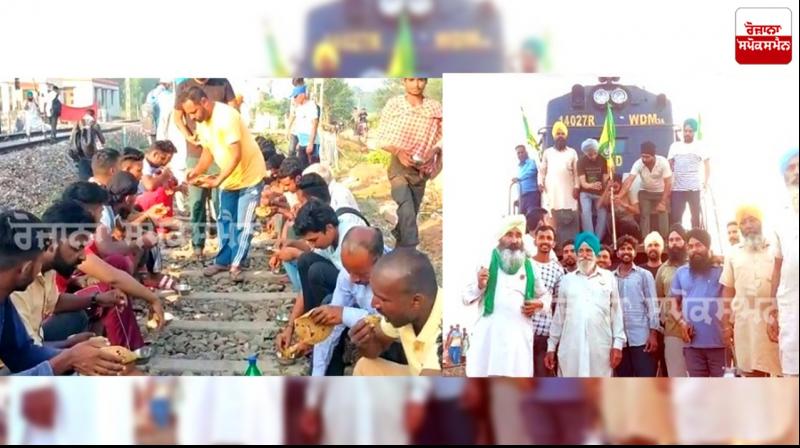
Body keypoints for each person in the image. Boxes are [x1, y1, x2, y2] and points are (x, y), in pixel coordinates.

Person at [0, 209, 126, 375]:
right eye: (39, 262)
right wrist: (67, 359)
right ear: (26, 269)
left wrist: (80, 356)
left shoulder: (4, 300)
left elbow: (21, 353)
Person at [179, 86, 267, 282]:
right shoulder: (202, 122)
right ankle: (223, 260)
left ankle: (236, 264)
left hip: (249, 177)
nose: (192, 117)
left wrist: (217, 180)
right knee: (225, 220)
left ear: (204, 102)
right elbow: (208, 151)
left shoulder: (227, 117)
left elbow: (236, 155)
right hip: (229, 179)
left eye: (193, 112)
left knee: (243, 224)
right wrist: (197, 171)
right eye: (188, 114)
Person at [306, 226, 404, 376]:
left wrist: (345, 315)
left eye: (360, 273)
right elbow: (331, 324)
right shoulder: (349, 274)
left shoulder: (400, 274)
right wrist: (317, 374)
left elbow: (396, 326)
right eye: (348, 270)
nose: (353, 279)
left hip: (401, 345)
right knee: (329, 310)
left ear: (379, 261)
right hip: (374, 335)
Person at [463, 215, 549, 377]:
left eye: (518, 235)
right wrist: (480, 285)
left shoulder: (529, 265)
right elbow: (465, 297)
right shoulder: (485, 260)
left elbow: (546, 296)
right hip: (490, 341)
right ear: (501, 237)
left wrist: (540, 304)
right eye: (509, 235)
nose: (515, 240)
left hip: (518, 341)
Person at [349, 249, 442, 376]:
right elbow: (377, 346)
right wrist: (365, 343)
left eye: (383, 299)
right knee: (365, 366)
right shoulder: (403, 314)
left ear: (415, 301)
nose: (373, 304)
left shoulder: (448, 329)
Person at [173, 78, 237, 261]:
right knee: (197, 202)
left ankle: (226, 247)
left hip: (220, 151)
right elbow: (177, 117)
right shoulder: (184, 86)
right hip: (195, 153)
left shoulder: (222, 83)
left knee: (222, 201)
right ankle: (198, 245)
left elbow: (234, 110)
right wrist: (188, 135)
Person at [545, 232, 625, 377]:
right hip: (571, 349)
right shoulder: (567, 280)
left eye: (589, 250)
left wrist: (618, 344)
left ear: (595, 253)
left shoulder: (608, 278)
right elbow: (559, 317)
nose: (584, 255)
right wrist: (551, 346)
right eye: (580, 251)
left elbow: (616, 313)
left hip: (601, 348)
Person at [375, 78, 443, 248]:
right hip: (399, 166)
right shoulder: (395, 105)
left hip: (421, 170)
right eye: (411, 80)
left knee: (409, 215)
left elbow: (445, 137)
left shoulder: (435, 108)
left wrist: (435, 151)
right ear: (404, 81)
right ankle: (412, 250)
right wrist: (398, 151)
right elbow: (382, 136)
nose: (416, 84)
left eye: (420, 80)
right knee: (405, 206)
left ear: (426, 81)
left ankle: (399, 250)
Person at [720, 205, 781, 377]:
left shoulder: (776, 249)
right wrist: (725, 325)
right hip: (745, 324)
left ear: (761, 222)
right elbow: (728, 290)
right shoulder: (732, 253)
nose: (748, 225)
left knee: (779, 372)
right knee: (751, 372)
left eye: (752, 220)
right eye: (744, 222)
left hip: (774, 321)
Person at [301, 377, 430, 445]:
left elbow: (419, 358)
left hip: (388, 404)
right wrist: (311, 403)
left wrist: (417, 396)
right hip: (340, 404)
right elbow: (319, 372)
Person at [293, 200, 368, 313]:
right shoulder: (329, 239)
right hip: (343, 278)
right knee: (305, 260)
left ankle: (326, 315)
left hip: (359, 285)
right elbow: (305, 287)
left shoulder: (351, 239)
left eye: (314, 240)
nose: (312, 245)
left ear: (329, 228)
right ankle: (310, 316)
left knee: (317, 271)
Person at [670, 228, 727, 377]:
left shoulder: (721, 271)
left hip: (719, 343)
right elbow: (673, 305)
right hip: (692, 344)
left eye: (699, 245)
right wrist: (682, 323)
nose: (694, 250)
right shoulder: (681, 272)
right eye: (690, 246)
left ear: (708, 247)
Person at [769, 147, 799, 377]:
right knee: (792, 372)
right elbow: (777, 267)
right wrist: (772, 311)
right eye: (791, 167)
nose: (796, 171)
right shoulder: (779, 216)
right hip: (791, 308)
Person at [613, 235, 660, 377]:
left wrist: (653, 334)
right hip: (620, 340)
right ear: (617, 253)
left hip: (642, 339)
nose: (626, 252)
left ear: (635, 252)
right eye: (622, 249)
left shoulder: (644, 275)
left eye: (629, 248)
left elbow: (652, 305)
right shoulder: (610, 278)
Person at [530, 225, 565, 376]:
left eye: (549, 238)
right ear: (535, 241)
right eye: (541, 237)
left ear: (554, 243)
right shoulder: (526, 265)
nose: (545, 241)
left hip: (545, 333)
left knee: (542, 376)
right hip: (524, 330)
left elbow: (558, 304)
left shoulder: (558, 269)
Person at [655, 225, 689, 377]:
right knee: (676, 376)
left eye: (678, 239)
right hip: (673, 331)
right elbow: (659, 299)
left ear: (685, 242)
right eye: (671, 240)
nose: (674, 243)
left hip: (697, 330)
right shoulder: (663, 270)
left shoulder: (693, 266)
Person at [619, 141, 672, 239]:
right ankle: (645, 240)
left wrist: (663, 202)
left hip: (661, 192)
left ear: (653, 155)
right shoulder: (638, 163)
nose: (644, 159)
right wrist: (619, 196)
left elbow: (668, 183)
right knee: (644, 215)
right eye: (643, 156)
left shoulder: (663, 162)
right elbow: (629, 180)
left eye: (647, 157)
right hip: (645, 192)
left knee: (663, 213)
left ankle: (664, 240)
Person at [538, 121, 580, 245]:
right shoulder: (547, 152)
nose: (560, 136)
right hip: (551, 191)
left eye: (562, 133)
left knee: (571, 216)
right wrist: (540, 183)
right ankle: (553, 244)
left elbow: (577, 172)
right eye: (558, 134)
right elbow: (542, 171)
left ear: (566, 136)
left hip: (569, 191)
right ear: (554, 136)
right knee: (551, 215)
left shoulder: (572, 152)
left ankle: (571, 246)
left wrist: (577, 186)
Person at [668, 118, 710, 229]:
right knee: (676, 218)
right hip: (677, 189)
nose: (687, 133)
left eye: (690, 131)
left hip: (694, 188)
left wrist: (705, 182)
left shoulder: (700, 146)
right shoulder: (674, 146)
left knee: (695, 218)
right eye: (685, 131)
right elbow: (669, 165)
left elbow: (707, 166)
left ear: (694, 132)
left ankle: (696, 240)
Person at [577, 138, 609, 241]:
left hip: (600, 192)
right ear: (585, 153)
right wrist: (592, 185)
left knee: (603, 214)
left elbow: (605, 180)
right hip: (586, 192)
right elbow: (583, 183)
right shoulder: (581, 161)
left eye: (595, 153)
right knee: (586, 213)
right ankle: (590, 239)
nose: (593, 156)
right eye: (590, 154)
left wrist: (607, 179)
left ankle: (597, 241)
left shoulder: (603, 160)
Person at [289, 85, 320, 168]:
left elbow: (314, 125)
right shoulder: (298, 108)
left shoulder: (311, 106)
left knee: (313, 168)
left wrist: (310, 143)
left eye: (296, 96)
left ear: (302, 95)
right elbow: (300, 125)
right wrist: (300, 142)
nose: (294, 99)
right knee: (302, 167)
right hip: (302, 142)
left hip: (311, 142)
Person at [69, 111, 106, 181]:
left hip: (81, 155)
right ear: (92, 115)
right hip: (95, 154)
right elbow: (102, 140)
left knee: (84, 176)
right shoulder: (95, 125)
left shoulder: (77, 124)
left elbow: (71, 140)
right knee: (95, 176)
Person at [513, 144, 540, 216]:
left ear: (526, 152)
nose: (520, 154)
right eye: (518, 153)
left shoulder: (531, 162)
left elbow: (532, 171)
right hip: (522, 197)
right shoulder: (519, 168)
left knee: (531, 216)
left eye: (522, 152)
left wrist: (519, 178)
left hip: (532, 194)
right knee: (522, 219)